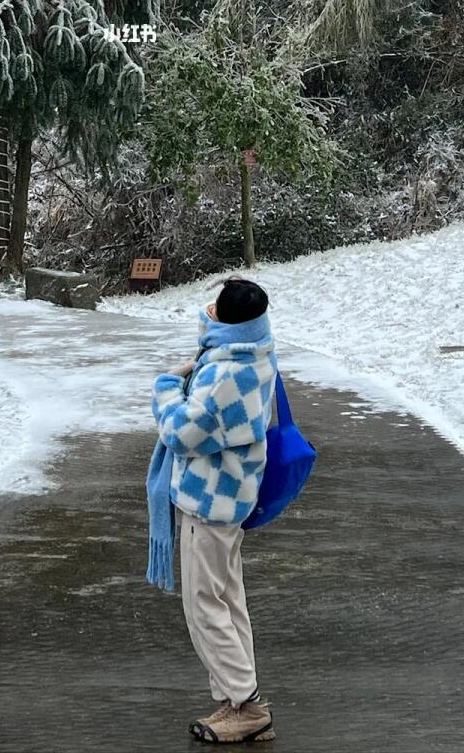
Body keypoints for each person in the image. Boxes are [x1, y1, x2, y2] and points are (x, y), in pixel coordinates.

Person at [146, 276, 279, 744]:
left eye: (213, 307)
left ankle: (246, 704)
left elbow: (182, 433)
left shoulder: (226, 375)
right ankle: (237, 696)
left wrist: (166, 387)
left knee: (204, 605)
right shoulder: (256, 351)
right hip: (232, 497)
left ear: (226, 319)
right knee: (227, 600)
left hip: (210, 502)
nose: (206, 311)